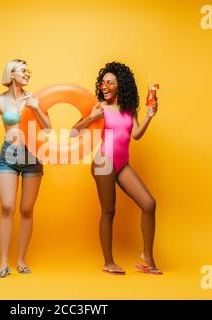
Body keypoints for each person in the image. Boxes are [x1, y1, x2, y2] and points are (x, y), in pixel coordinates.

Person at [72, 62, 162, 275]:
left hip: (122, 164)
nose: (104, 86)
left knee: (149, 204)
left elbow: (136, 135)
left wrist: (150, 115)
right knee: (109, 211)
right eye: (103, 82)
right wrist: (92, 118)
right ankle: (108, 262)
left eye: (110, 83)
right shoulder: (99, 107)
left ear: (120, 85)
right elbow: (74, 133)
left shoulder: (129, 109)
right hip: (104, 162)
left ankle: (147, 257)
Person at [0, 59, 51, 278]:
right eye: (23, 71)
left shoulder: (34, 98)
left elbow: (48, 128)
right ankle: (3, 263)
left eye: (28, 71)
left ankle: (21, 261)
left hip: (33, 155)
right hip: (8, 155)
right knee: (7, 206)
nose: (28, 74)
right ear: (11, 74)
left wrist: (36, 108)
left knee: (26, 210)